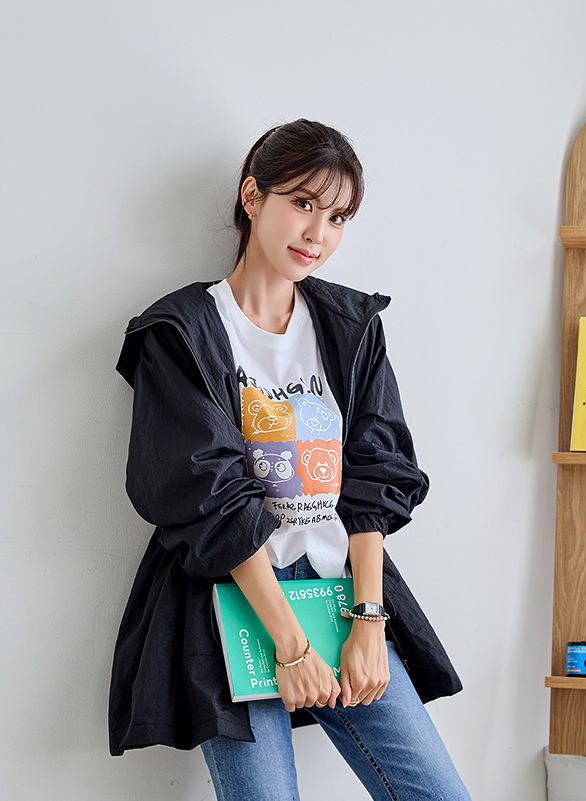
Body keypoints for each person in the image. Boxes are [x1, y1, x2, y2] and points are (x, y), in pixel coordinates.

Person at [108, 119, 471, 800]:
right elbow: (203, 494)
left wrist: (369, 619)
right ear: (253, 196)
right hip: (232, 596)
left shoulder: (350, 326)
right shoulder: (181, 332)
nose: (318, 233)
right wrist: (291, 644)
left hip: (340, 591)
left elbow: (375, 473)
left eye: (338, 216)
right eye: (303, 203)